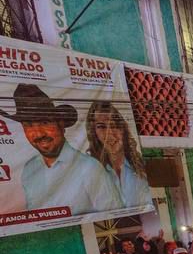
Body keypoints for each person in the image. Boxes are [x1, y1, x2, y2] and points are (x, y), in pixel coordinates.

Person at [1, 83, 124, 214]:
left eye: (45, 122)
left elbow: (115, 216)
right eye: (29, 125)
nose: (38, 133)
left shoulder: (89, 168)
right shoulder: (29, 169)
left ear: (61, 123)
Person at [86, 98, 151, 208]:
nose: (109, 134)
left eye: (114, 124)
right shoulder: (89, 173)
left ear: (123, 128)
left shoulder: (140, 167)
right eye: (101, 127)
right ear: (94, 133)